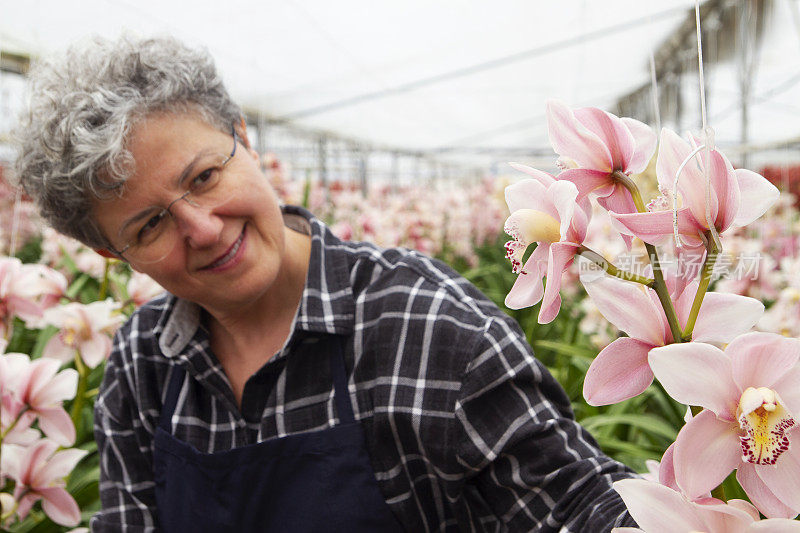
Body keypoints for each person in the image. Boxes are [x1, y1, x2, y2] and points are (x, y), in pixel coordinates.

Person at [14, 35, 638, 532]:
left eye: (204, 176)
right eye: (151, 224)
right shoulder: (142, 365)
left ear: (244, 140)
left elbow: (579, 510)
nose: (202, 229)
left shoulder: (426, 325)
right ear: (110, 252)